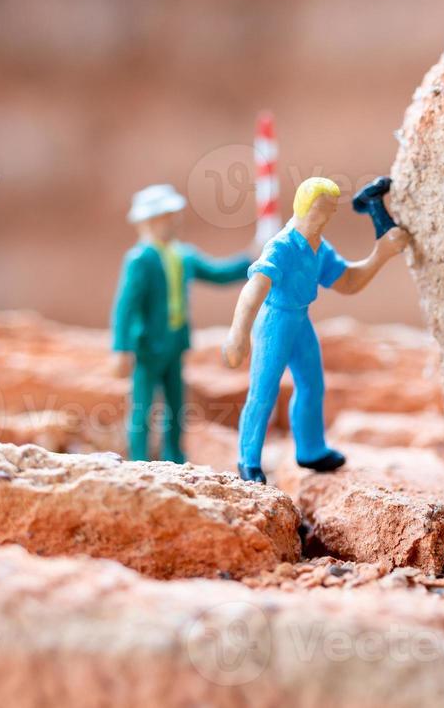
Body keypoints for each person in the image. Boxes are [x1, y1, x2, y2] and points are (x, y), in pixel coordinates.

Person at [224, 176, 409, 483]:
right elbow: (254, 288)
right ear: (305, 207)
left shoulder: (319, 248)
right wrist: (238, 332)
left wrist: (381, 254)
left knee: (312, 384)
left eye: (331, 211)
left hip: (300, 321)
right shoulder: (282, 247)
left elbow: (348, 282)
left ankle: (310, 449)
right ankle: (248, 460)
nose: (326, 218)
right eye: (322, 210)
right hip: (275, 322)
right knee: (263, 391)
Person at [111, 183, 250, 463]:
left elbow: (217, 273)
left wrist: (253, 259)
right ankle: (137, 457)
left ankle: (174, 456)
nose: (173, 222)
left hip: (175, 343)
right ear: (148, 221)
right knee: (142, 406)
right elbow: (125, 307)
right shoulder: (141, 260)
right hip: (148, 346)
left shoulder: (182, 255)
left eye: (173, 216)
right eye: (165, 216)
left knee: (176, 404)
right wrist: (121, 349)